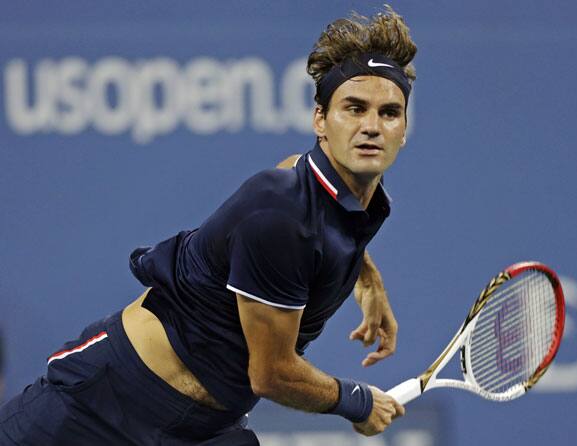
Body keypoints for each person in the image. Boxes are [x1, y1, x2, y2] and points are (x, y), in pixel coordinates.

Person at [0, 5, 417, 445]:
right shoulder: (278, 213)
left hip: (203, 430)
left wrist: (366, 278)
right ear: (320, 120)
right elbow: (271, 374)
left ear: (404, 128)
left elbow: (302, 186)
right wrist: (358, 401)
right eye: (354, 108)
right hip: (100, 403)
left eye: (389, 113)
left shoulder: (349, 200)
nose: (371, 126)